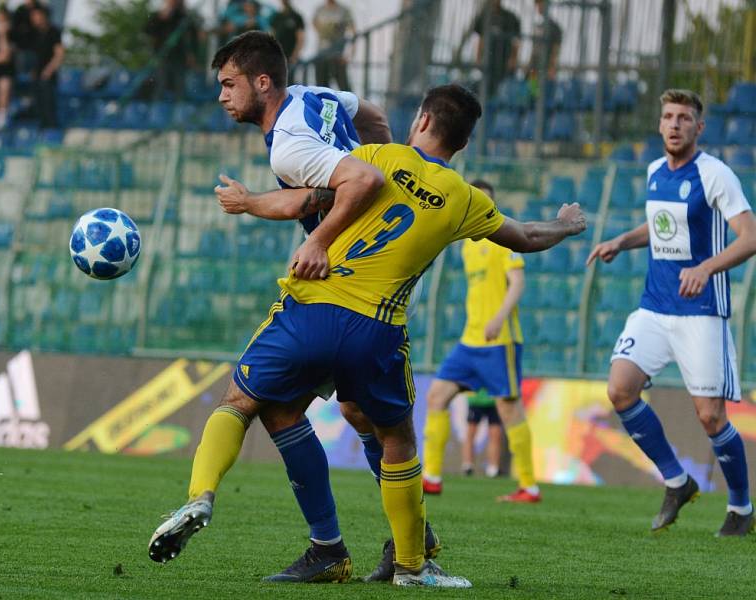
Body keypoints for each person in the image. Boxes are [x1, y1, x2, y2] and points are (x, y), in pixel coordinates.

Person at [150, 80, 587, 585]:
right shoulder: (464, 198)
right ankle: (409, 566)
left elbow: (301, 202)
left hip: (311, 306)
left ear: (421, 120)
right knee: (396, 438)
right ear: (463, 143)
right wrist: (567, 224)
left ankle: (202, 494)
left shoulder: (375, 156)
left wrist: (248, 201)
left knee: (241, 403)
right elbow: (527, 237)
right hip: (376, 328)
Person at [205, 30, 445, 584]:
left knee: (271, 402)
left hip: (339, 280)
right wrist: (389, 161)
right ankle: (396, 544)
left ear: (262, 82)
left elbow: (359, 178)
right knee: (361, 414)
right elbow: (376, 119)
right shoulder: (315, 97)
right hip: (366, 273)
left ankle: (350, 550)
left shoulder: (289, 143)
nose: (222, 96)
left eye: (229, 84)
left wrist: (318, 237)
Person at [586, 89, 756, 537]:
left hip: (701, 311)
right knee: (620, 390)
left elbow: (749, 236)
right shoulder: (655, 171)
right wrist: (622, 240)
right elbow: (663, 224)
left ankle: (741, 507)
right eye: (668, 116)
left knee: (710, 417)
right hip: (655, 307)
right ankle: (677, 482)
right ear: (659, 125)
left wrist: (706, 267)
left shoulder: (715, 175)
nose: (675, 124)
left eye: (684, 117)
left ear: (699, 128)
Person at [422, 179, 538, 502]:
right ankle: (431, 476)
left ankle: (529, 485)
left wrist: (499, 317)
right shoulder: (467, 244)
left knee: (509, 409)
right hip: (469, 341)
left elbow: (517, 282)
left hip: (500, 341)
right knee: (436, 396)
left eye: (487, 203)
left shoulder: (506, 240)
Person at [452, 0, 520, 98]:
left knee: (503, 92)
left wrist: (513, 59)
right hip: (488, 62)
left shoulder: (511, 17)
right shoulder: (483, 16)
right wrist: (478, 59)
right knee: (485, 90)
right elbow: (480, 39)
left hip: (504, 62)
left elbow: (516, 42)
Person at [144, 0, 199, 100]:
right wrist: (160, 18)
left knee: (180, 86)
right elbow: (148, 31)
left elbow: (193, 36)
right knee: (160, 84)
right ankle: (157, 111)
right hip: (162, 56)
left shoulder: (183, 17)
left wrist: (192, 54)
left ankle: (179, 111)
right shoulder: (159, 15)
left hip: (179, 57)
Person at [30, 4, 63, 129]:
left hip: (48, 75)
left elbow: (59, 54)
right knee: (38, 104)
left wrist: (49, 70)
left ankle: (51, 130)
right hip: (37, 74)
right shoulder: (35, 33)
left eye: (36, 15)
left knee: (48, 104)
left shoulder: (53, 32)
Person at [312, 0, 354, 90]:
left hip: (337, 56)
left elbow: (353, 32)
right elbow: (315, 25)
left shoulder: (343, 10)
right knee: (321, 90)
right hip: (322, 55)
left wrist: (349, 54)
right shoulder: (319, 10)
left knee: (345, 90)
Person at [461, 389, 503, 478]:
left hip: (494, 400)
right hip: (476, 399)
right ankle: (467, 465)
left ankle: (493, 468)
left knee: (495, 435)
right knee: (471, 433)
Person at [527, 0, 561, 83]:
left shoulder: (554, 28)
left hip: (546, 69)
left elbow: (556, 49)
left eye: (540, 4)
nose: (538, 7)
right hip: (534, 70)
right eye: (537, 4)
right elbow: (534, 50)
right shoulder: (539, 26)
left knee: (543, 93)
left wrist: (552, 67)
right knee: (533, 92)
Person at [270, 0, 305, 80]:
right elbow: (271, 36)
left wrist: (295, 54)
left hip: (291, 56)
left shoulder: (296, 16)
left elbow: (300, 37)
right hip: (278, 55)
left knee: (292, 80)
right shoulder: (276, 17)